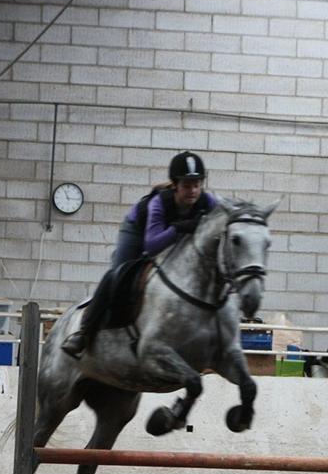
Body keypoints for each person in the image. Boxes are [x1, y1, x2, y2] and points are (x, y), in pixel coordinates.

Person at [60, 151, 217, 358]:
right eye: (187, 185)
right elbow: (151, 246)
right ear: (175, 185)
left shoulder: (209, 202)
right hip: (137, 231)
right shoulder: (159, 202)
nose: (193, 191)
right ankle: (84, 332)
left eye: (197, 185)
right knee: (118, 273)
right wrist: (178, 228)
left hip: (173, 235)